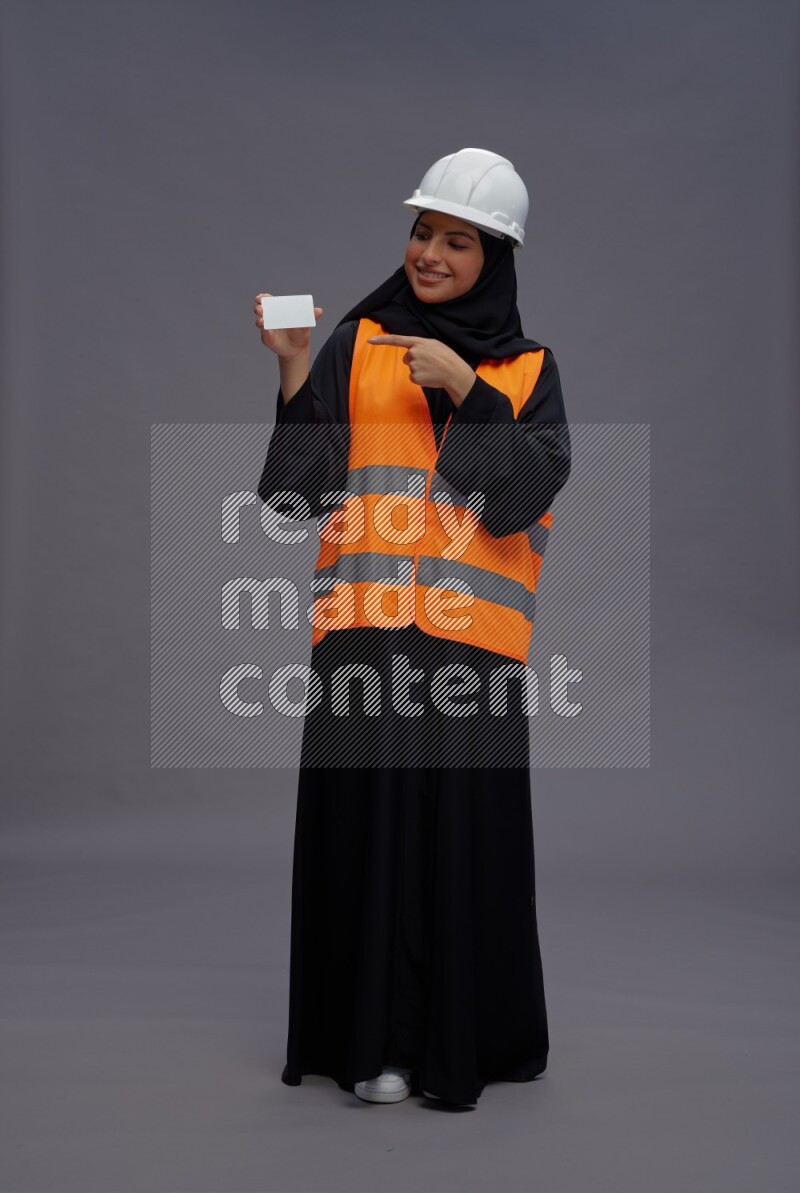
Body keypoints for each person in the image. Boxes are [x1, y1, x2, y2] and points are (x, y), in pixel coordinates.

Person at [254, 148, 571, 1107]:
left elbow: (522, 496)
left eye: (457, 241)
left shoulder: (529, 370)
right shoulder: (361, 344)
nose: (430, 253)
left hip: (470, 653)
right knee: (367, 836)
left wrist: (469, 393)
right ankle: (373, 1047)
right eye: (423, 232)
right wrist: (298, 366)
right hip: (362, 640)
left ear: (497, 258)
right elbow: (294, 499)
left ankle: (459, 1046)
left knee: (461, 845)